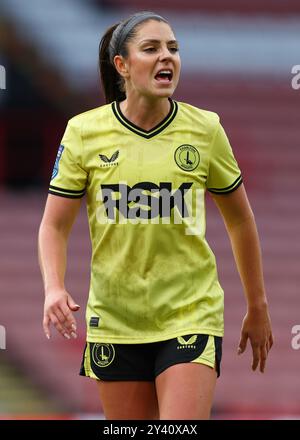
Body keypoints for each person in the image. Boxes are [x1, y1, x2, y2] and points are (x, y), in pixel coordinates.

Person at [38, 11, 274, 420]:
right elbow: (54, 225)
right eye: (151, 49)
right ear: (122, 66)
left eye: (173, 49)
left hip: (189, 314)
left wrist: (258, 304)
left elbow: (240, 220)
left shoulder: (205, 129)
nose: (167, 57)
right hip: (115, 319)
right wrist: (53, 288)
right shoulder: (83, 132)